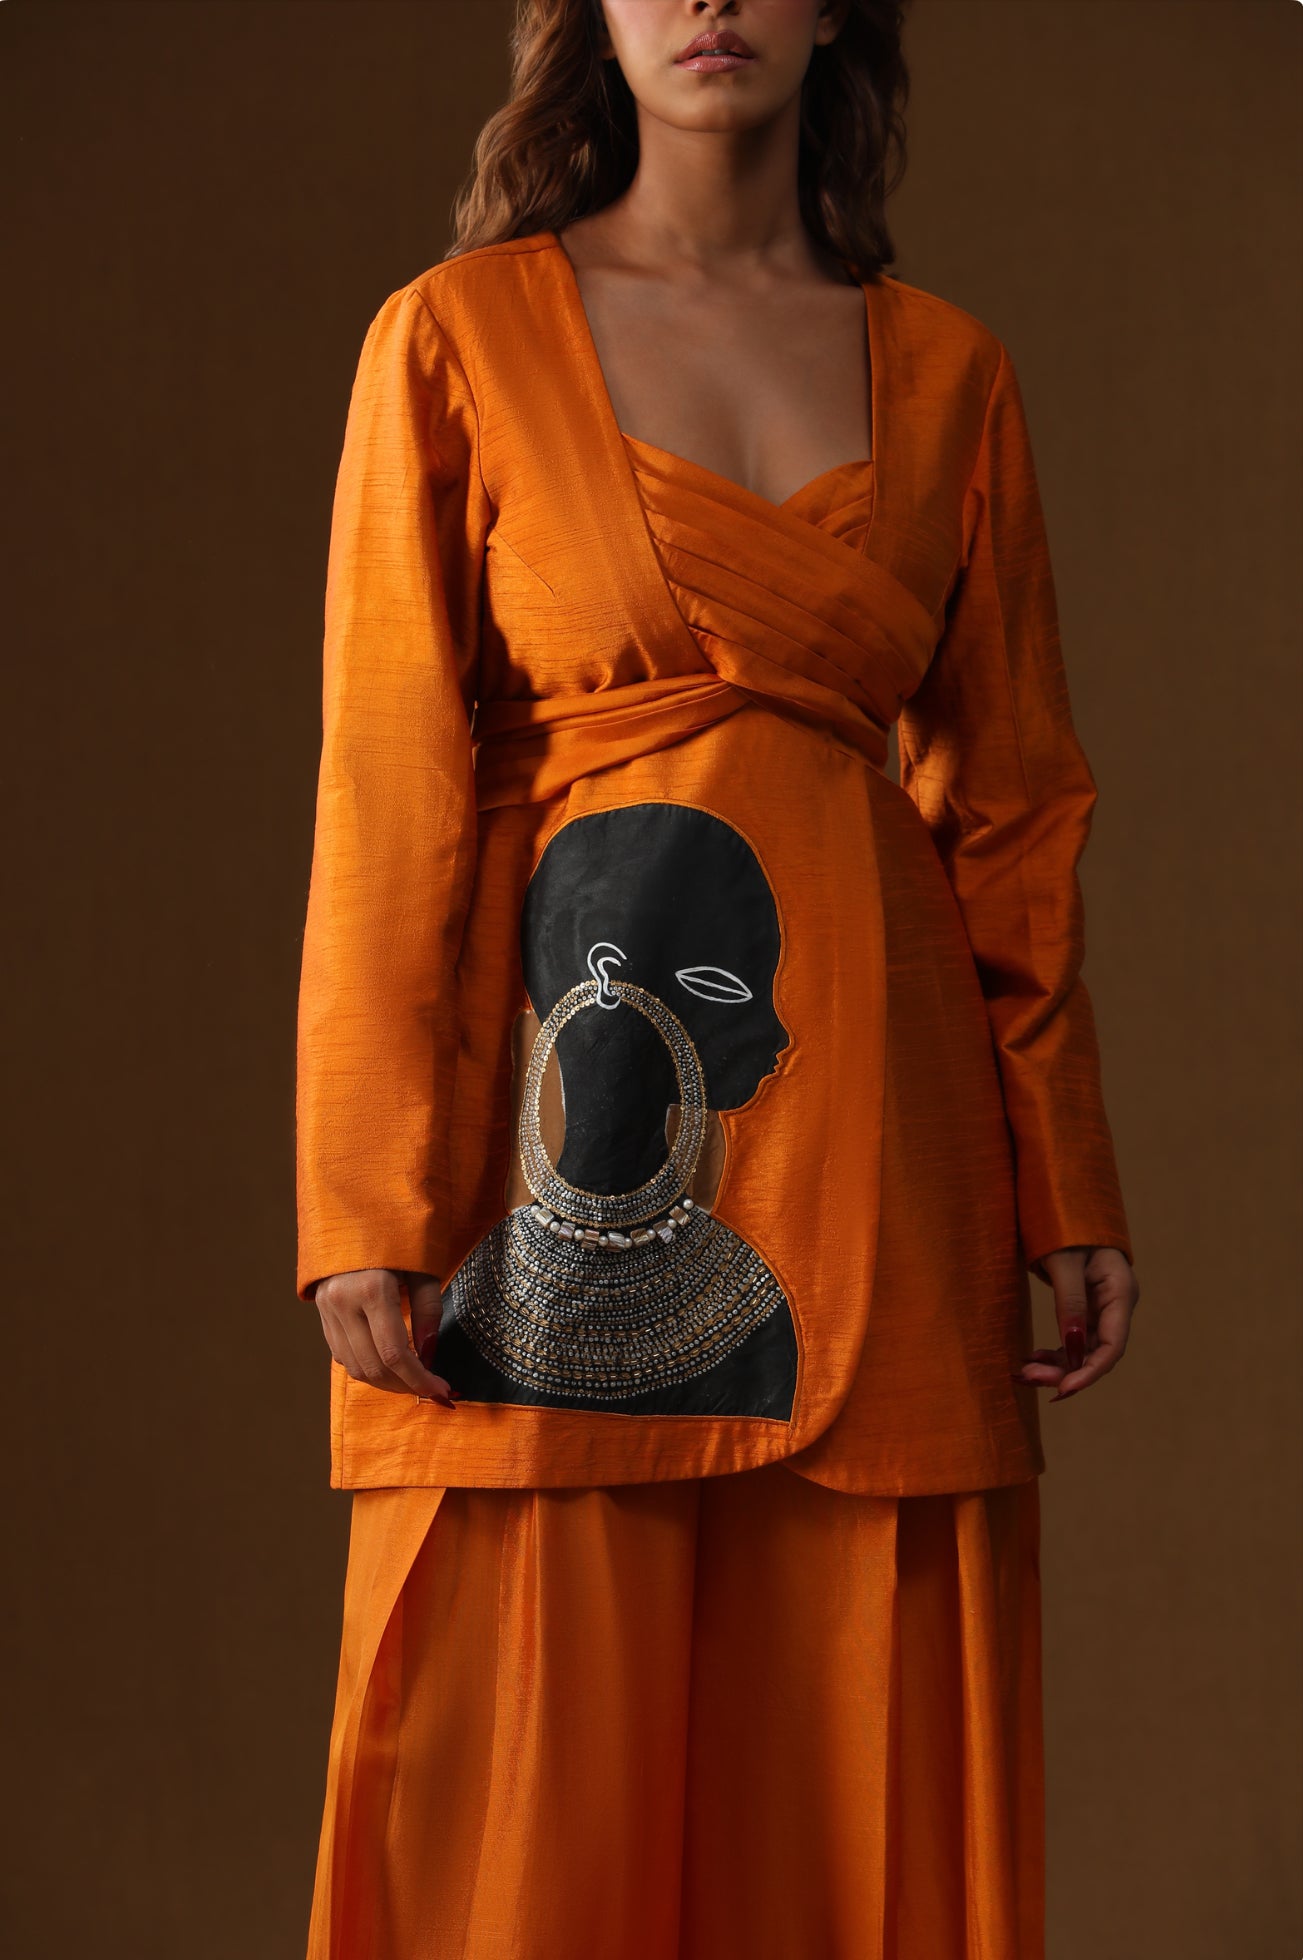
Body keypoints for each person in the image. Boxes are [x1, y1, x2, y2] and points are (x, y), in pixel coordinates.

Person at [295, 2, 1142, 1954]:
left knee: (845, 1778)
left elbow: (1015, 814)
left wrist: (1063, 1173)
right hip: (547, 1154)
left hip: (889, 1144)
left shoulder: (949, 375)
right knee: (527, 1796)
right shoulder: (454, 340)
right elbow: (388, 785)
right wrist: (364, 1195)